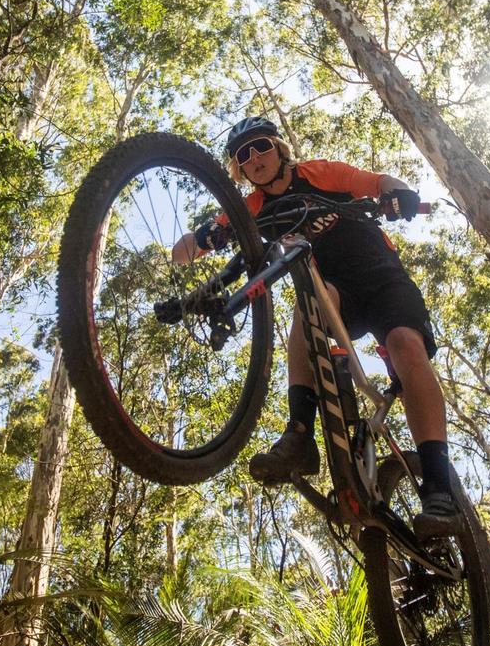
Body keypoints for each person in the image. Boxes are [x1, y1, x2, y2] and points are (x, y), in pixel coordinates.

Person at [172, 117, 458, 537]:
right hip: (334, 292)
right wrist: (205, 237)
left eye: (261, 147)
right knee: (310, 300)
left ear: (280, 149)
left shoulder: (320, 173)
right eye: (242, 155)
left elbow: (378, 182)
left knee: (404, 344)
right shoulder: (251, 208)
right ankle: (300, 435)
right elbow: (182, 253)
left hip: (382, 278)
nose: (254, 159)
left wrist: (399, 195)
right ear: (238, 167)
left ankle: (439, 488)